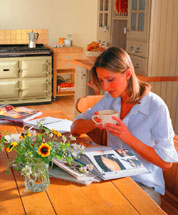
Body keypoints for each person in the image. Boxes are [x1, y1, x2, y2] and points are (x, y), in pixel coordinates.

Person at [71, 46, 178, 205]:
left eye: (110, 79)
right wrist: (94, 121)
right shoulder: (110, 100)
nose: (105, 87)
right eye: (101, 81)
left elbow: (166, 163)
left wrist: (127, 137)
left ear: (127, 74)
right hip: (112, 176)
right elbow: (75, 129)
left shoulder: (156, 107)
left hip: (144, 184)